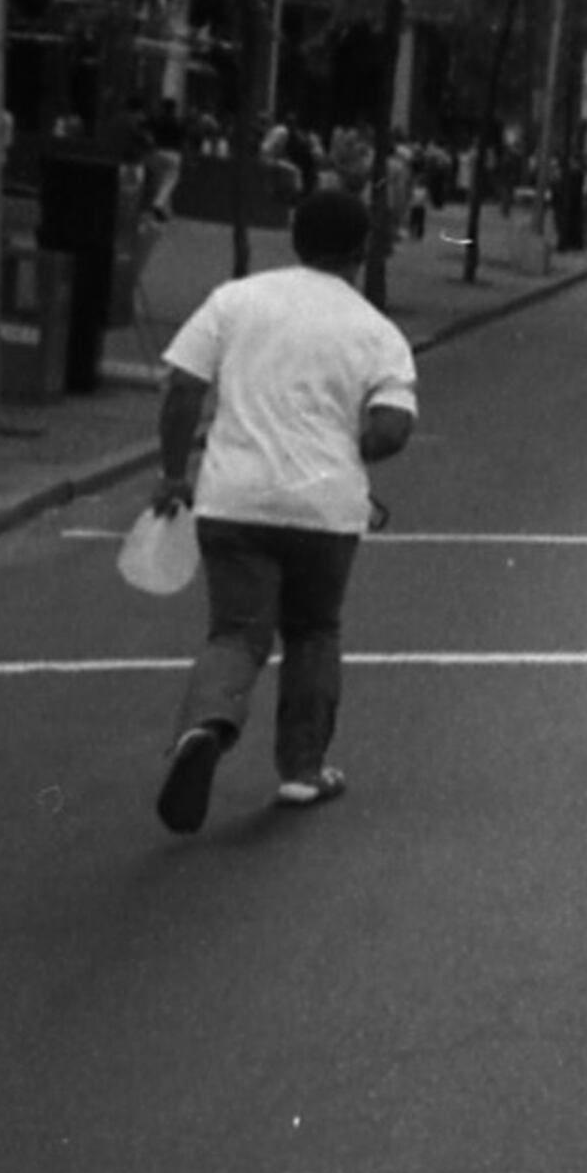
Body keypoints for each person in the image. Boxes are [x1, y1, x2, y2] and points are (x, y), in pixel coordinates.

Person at [148, 186, 418, 832]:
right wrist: (351, 446)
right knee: (314, 631)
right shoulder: (376, 331)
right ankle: (303, 769)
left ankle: (206, 726)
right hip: (324, 508)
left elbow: (182, 387)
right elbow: (392, 427)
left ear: (295, 238)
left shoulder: (234, 301)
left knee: (236, 632)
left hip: (234, 499)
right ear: (362, 250)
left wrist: (173, 473)